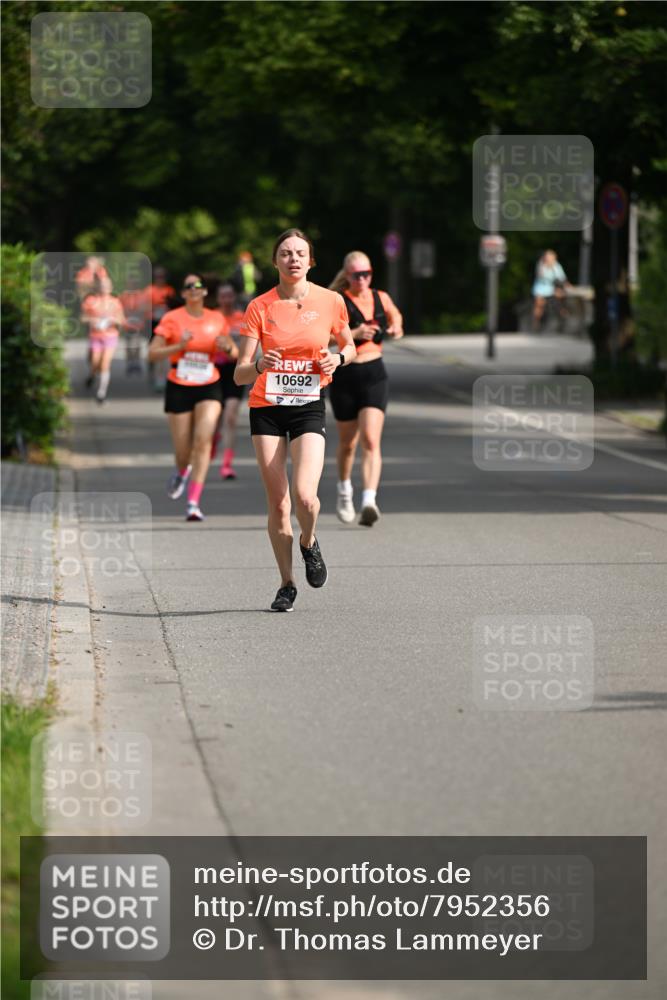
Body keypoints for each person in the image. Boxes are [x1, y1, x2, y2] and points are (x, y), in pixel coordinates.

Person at [234, 229, 356, 612]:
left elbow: (350, 345)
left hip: (308, 404)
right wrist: (257, 364)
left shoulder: (331, 300)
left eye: (300, 253)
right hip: (266, 407)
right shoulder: (260, 306)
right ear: (275, 262)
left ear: (311, 261)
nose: (293, 259)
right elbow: (239, 373)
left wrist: (338, 358)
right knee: (279, 502)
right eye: (285, 253)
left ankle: (309, 542)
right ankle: (286, 583)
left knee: (306, 496)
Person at [147, 274, 234, 521]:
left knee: (203, 439)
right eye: (189, 287)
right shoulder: (172, 318)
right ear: (183, 293)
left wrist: (227, 347)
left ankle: (193, 502)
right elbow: (152, 354)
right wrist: (178, 346)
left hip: (209, 384)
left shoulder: (217, 318)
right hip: (179, 384)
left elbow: (234, 352)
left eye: (199, 286)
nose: (194, 289)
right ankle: (182, 471)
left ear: (206, 291)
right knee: (183, 450)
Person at [328, 251, 403, 526]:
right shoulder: (337, 302)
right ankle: (344, 490)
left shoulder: (381, 297)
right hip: (346, 374)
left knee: (371, 439)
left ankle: (369, 500)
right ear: (347, 276)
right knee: (348, 443)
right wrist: (356, 334)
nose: (362, 279)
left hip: (374, 373)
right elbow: (322, 338)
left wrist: (395, 329)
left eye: (367, 274)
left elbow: (397, 320)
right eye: (357, 275)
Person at [212, 282, 246, 479]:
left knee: (231, 417)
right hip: (213, 371)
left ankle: (227, 464)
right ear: (218, 299)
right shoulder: (211, 317)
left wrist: (231, 346)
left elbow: (247, 348)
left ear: (234, 298)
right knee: (216, 417)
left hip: (235, 371)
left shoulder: (242, 318)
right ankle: (215, 437)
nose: (226, 300)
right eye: (222, 296)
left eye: (229, 296)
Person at [80, 275, 126, 403]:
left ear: (111, 288)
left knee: (105, 363)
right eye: (102, 285)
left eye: (107, 286)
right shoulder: (91, 300)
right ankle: (92, 376)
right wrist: (93, 320)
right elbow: (83, 318)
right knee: (95, 363)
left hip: (111, 336)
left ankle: (101, 393)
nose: (104, 288)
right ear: (98, 287)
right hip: (95, 336)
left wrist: (113, 320)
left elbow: (122, 320)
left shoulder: (115, 302)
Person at [146, 266, 176, 392]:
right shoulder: (150, 290)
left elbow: (173, 306)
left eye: (162, 277)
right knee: (154, 349)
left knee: (165, 350)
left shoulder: (169, 290)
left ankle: (163, 377)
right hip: (152, 323)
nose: (160, 279)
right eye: (158, 277)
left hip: (165, 323)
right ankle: (152, 369)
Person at [532, 250, 571, 331]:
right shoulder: (541, 264)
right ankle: (536, 323)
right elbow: (541, 276)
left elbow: (562, 278)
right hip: (541, 287)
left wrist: (568, 287)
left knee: (561, 298)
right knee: (539, 304)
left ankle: (563, 318)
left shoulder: (557, 266)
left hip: (552, 288)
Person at [119, 276, 150, 375]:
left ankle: (136, 363)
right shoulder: (123, 295)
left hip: (138, 323)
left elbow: (146, 307)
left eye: (133, 284)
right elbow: (119, 308)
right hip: (128, 323)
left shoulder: (141, 295)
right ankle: (130, 362)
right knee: (128, 344)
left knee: (137, 343)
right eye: (129, 284)